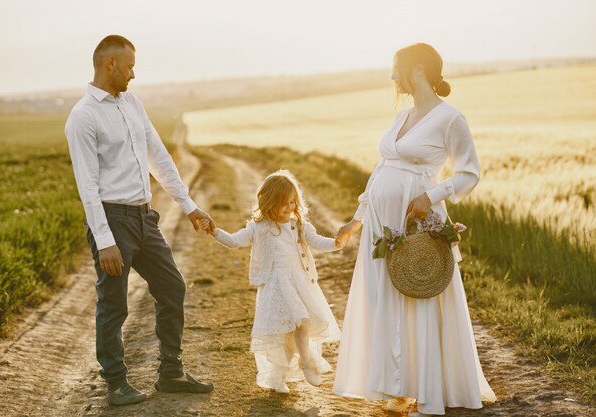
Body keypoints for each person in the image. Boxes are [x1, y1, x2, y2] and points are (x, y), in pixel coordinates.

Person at [332, 43, 497, 416]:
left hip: (417, 219)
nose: (392, 77)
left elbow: (469, 172)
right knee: (384, 297)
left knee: (417, 293)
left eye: (396, 68)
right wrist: (357, 218)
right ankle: (397, 386)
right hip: (381, 223)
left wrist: (431, 194)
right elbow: (382, 168)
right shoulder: (402, 117)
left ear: (418, 69)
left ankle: (426, 391)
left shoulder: (450, 118)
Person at [65, 35, 215, 406]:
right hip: (112, 220)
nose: (134, 73)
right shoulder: (83, 116)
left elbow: (159, 158)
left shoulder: (132, 104)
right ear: (110, 63)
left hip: (144, 218)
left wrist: (189, 206)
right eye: (130, 66)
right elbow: (87, 184)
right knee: (114, 305)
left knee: (172, 287)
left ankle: (171, 373)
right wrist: (104, 240)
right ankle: (116, 384)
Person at [199, 170, 343, 393]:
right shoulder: (259, 227)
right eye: (283, 203)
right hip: (276, 285)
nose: (289, 207)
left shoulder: (300, 226)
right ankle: (300, 364)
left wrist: (336, 243)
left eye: (292, 202)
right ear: (269, 202)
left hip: (300, 282)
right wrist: (215, 231)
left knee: (291, 333)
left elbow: (316, 242)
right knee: (298, 323)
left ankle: (280, 376)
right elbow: (235, 241)